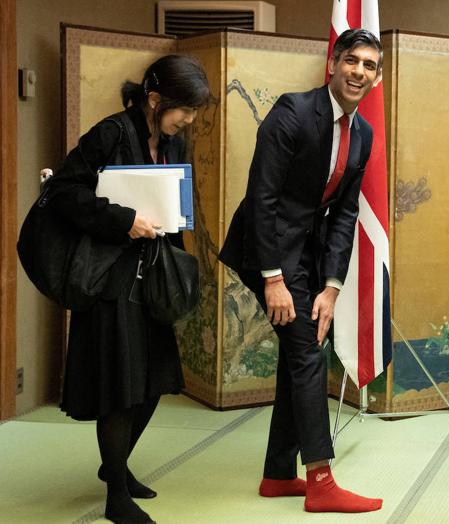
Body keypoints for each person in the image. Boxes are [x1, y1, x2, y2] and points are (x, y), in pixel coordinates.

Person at [219, 29, 384, 513]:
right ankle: (321, 479)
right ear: (333, 63)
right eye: (351, 60)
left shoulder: (364, 133)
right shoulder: (292, 112)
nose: (359, 71)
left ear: (377, 77)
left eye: (370, 65)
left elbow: (346, 214)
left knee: (304, 350)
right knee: (308, 350)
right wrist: (272, 278)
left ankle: (276, 473)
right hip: (264, 246)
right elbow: (262, 199)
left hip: (308, 254)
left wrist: (332, 286)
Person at [46, 55, 209, 524]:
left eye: (196, 111)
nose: (190, 120)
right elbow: (64, 191)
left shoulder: (173, 141)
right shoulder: (112, 133)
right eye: (185, 109)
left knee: (156, 380)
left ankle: (112, 465)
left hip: (152, 275)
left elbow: (174, 200)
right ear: (154, 99)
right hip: (111, 278)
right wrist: (124, 219)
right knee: (120, 385)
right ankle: (117, 495)